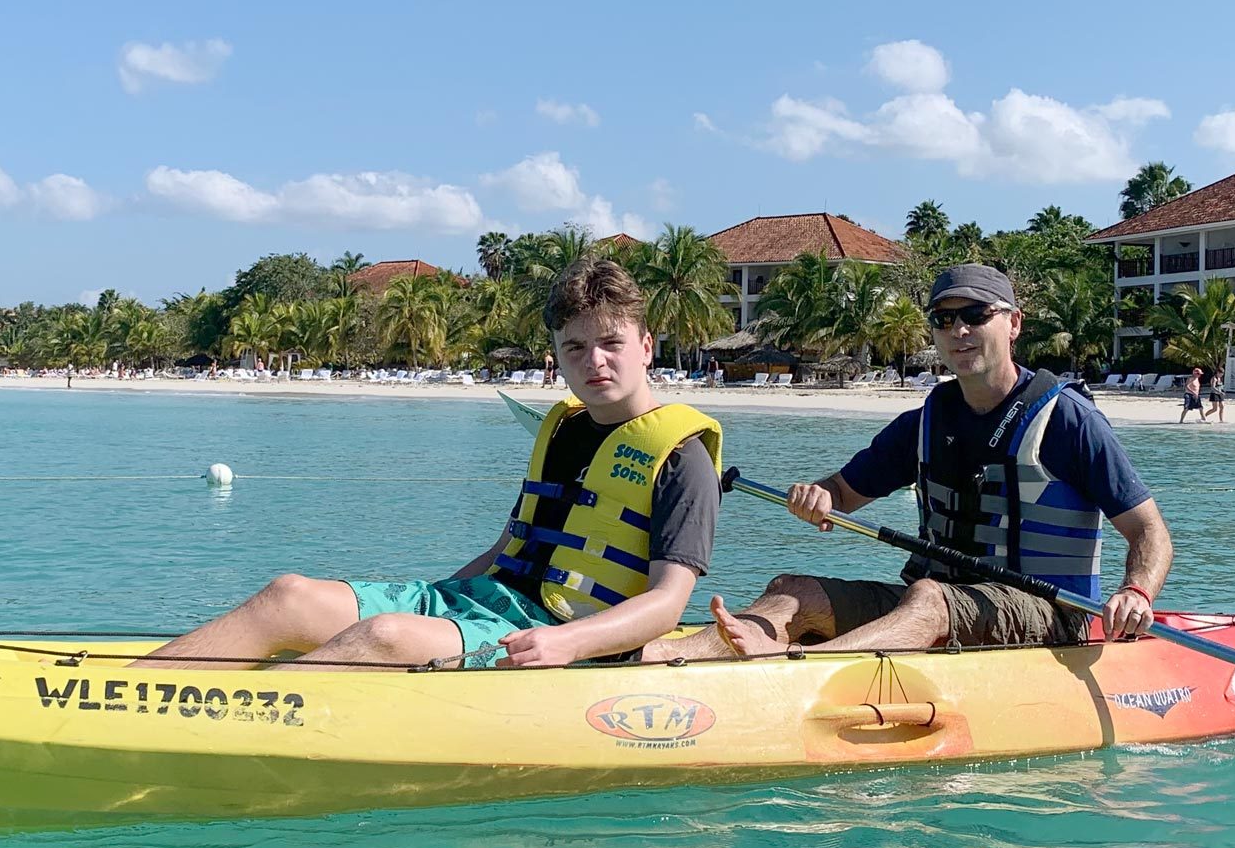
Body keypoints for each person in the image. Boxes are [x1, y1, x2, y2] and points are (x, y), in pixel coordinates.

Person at [144, 255, 719, 671]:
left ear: (645, 346)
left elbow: (667, 604)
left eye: (611, 343)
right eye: (575, 347)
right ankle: (122, 694)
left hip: (556, 633)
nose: (593, 360)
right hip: (485, 602)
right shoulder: (564, 430)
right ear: (558, 356)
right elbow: (505, 549)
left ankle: (234, 725)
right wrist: (440, 599)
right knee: (288, 595)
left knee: (384, 636)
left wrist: (567, 645)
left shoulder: (681, 459)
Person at [643, 264, 1172, 662]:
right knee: (791, 590)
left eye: (974, 316)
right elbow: (843, 493)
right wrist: (820, 496)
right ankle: (672, 656)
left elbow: (1149, 532)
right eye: (945, 320)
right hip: (944, 600)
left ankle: (797, 669)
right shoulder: (922, 423)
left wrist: (1136, 591)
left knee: (927, 598)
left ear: (1013, 324)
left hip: (1051, 615)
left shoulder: (1068, 422)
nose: (958, 331)